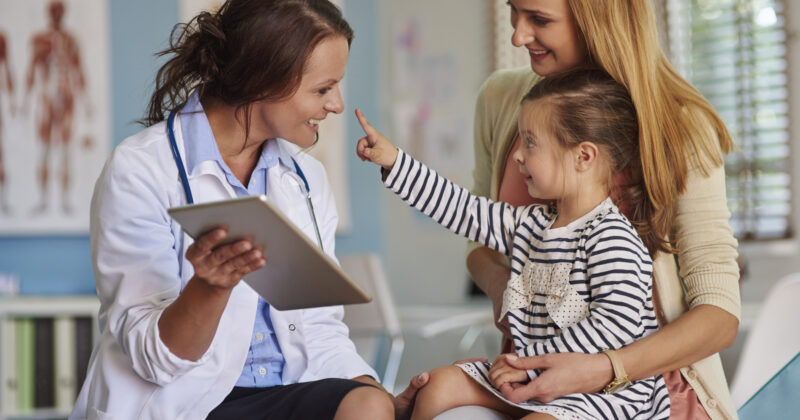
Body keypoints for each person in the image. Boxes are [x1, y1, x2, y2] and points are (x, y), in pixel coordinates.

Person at [70, 1, 426, 419]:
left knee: (369, 404)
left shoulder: (306, 179)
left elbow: (321, 333)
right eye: (323, 89)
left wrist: (380, 397)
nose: (337, 105)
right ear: (264, 79)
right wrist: (210, 288)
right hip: (183, 403)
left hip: (281, 393)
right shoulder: (141, 169)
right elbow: (153, 360)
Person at [466, 1, 740, 419]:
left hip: (649, 391)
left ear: (600, 19)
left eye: (539, 19)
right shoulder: (500, 99)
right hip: (534, 376)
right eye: (513, 11)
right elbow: (478, 245)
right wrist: (502, 283)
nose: (517, 36)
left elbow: (719, 315)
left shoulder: (682, 125)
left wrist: (603, 368)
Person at [355, 69, 670, 419]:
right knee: (437, 386)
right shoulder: (529, 223)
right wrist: (396, 163)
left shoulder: (612, 239)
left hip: (602, 395)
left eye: (530, 142)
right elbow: (463, 210)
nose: (518, 155)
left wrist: (530, 364)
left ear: (583, 157)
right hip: (529, 376)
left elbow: (614, 327)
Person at [25, 0, 89, 214]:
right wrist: (25, 101)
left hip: (67, 96)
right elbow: (32, 69)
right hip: (47, 97)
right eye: (53, 12)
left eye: (59, 12)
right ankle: (43, 199)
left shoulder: (71, 40)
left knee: (65, 150)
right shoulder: (39, 40)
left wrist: (86, 101)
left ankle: (65, 200)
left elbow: (79, 70)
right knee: (44, 149)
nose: (56, 15)